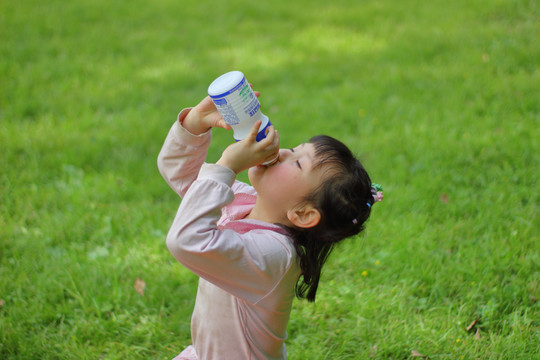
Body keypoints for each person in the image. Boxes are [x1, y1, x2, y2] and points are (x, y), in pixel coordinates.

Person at [158, 91, 383, 360]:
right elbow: (186, 178)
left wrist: (228, 165)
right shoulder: (246, 202)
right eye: (296, 148)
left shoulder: (275, 255)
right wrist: (195, 124)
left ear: (302, 214)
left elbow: (185, 241)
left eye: (298, 162)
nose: (285, 151)